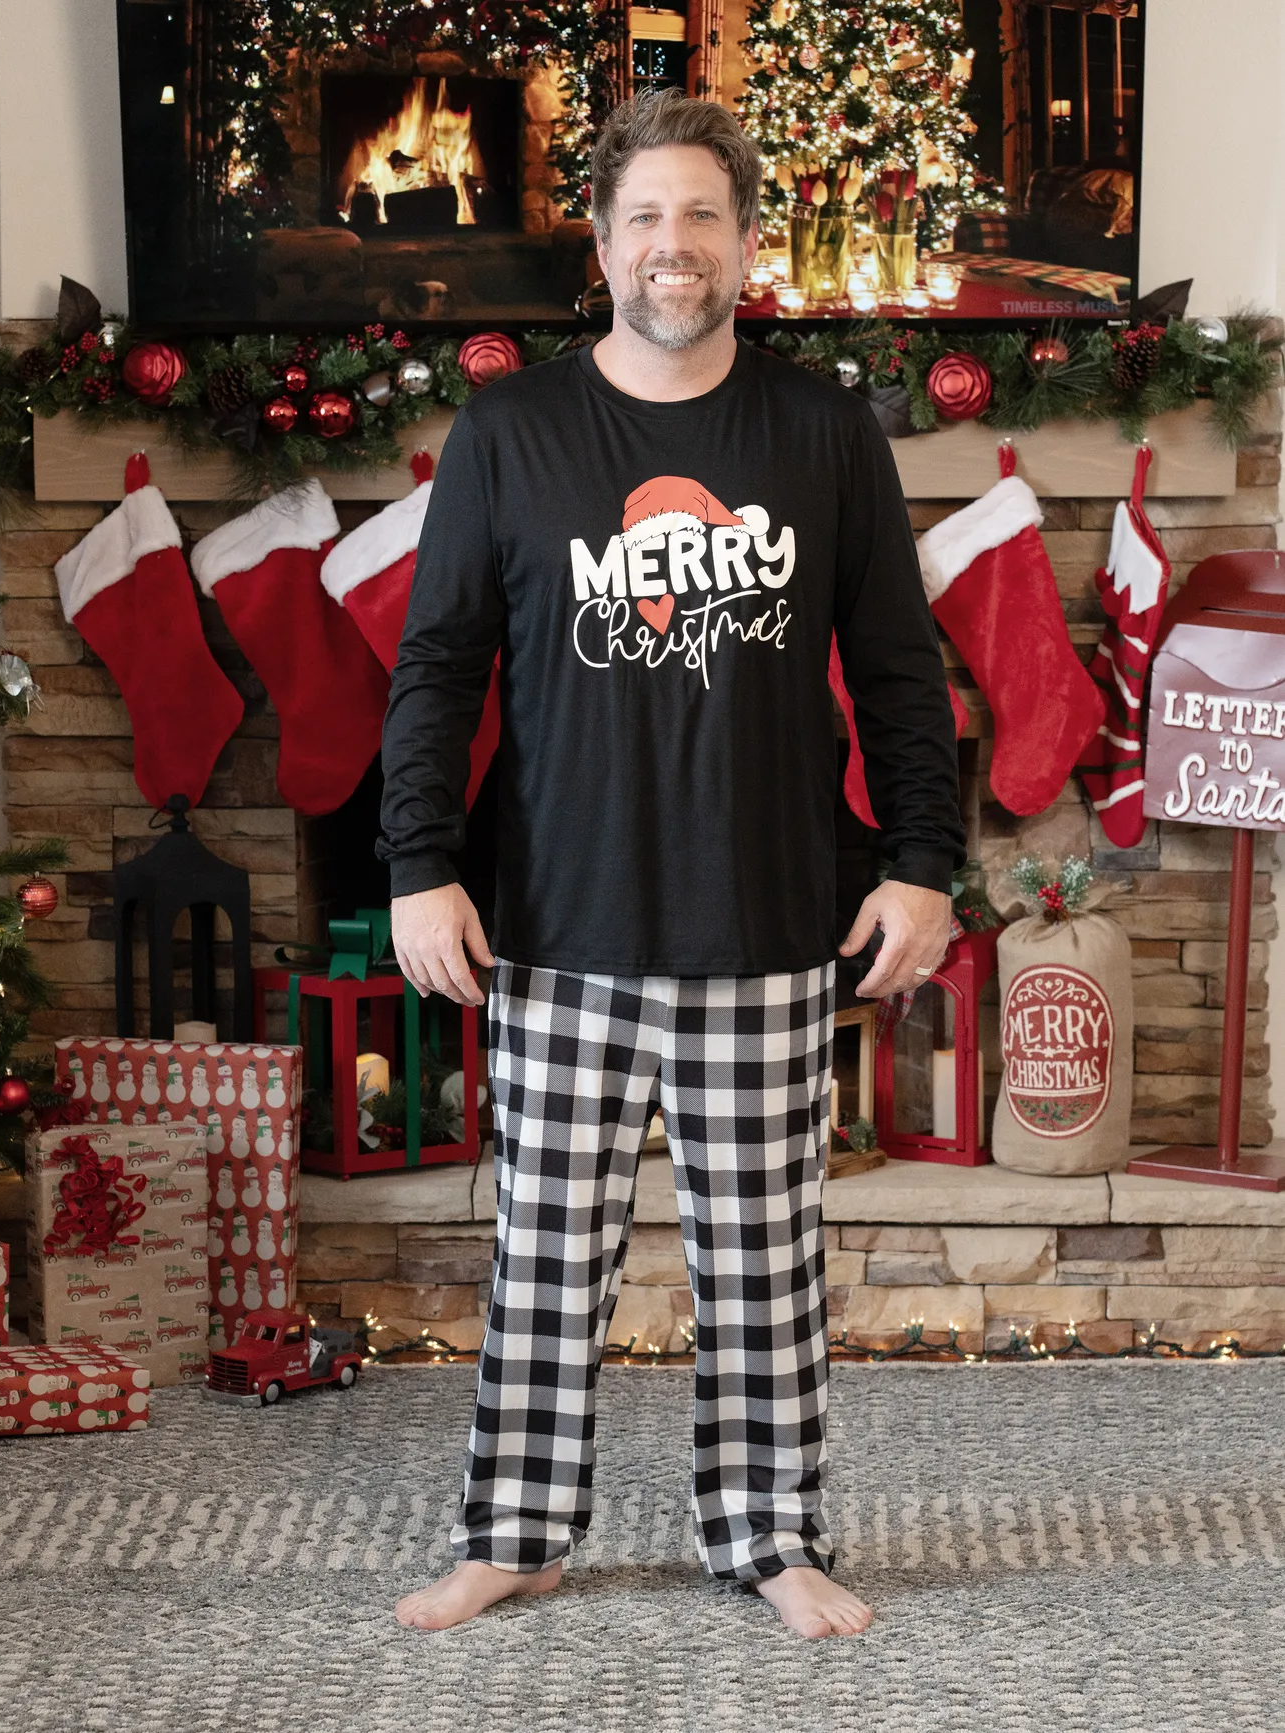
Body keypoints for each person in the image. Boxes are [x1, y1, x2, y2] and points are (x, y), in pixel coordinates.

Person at [380, 88, 965, 1640]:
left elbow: (901, 670)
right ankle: (515, 1532)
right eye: (644, 215)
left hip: (767, 925)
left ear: (748, 239)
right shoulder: (511, 433)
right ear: (602, 241)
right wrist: (417, 863)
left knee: (764, 1274)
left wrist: (924, 865)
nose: (673, 243)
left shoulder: (824, 432)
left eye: (703, 213)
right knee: (540, 1266)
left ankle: (768, 1538)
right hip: (558, 929)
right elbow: (437, 666)